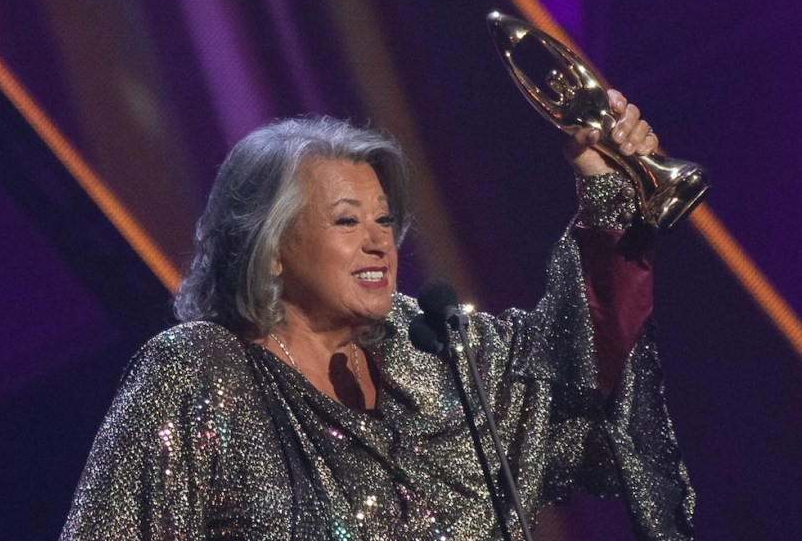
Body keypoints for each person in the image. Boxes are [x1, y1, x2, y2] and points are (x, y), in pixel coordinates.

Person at [61, 90, 695, 540]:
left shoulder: (439, 361)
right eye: (346, 221)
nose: (378, 241)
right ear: (271, 247)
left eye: (384, 220)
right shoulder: (198, 371)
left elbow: (574, 372)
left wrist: (605, 187)